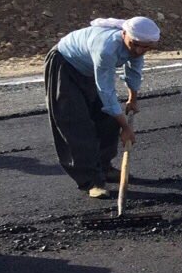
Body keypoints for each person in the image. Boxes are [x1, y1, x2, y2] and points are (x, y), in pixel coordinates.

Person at [45, 16, 161, 198]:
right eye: (135, 44)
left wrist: (133, 99)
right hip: (65, 65)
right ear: (124, 35)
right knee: (77, 124)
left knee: (107, 119)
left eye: (145, 47)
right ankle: (91, 182)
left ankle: (104, 167)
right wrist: (126, 127)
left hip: (89, 69)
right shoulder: (106, 48)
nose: (139, 50)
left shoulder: (138, 47)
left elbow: (134, 70)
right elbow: (106, 91)